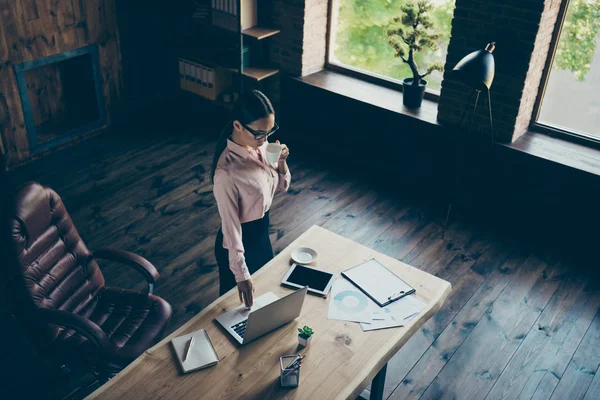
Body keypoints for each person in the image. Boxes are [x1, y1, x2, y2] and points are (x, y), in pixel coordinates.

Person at [211, 90, 291, 308]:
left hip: (262, 233)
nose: (265, 139)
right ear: (237, 126)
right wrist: (241, 273)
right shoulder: (226, 173)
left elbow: (283, 185)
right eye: (259, 133)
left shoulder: (262, 148)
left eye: (269, 131)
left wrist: (281, 161)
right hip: (237, 244)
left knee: (264, 297)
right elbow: (231, 228)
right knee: (234, 310)